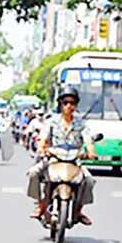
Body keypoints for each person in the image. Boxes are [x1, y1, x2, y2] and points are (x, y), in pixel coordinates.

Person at [27, 87, 97, 224]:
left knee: (89, 180)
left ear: (75, 105)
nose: (68, 106)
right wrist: (41, 148)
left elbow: (88, 140)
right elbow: (43, 137)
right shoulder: (51, 121)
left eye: (71, 103)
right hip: (54, 159)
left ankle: (78, 210)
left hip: (74, 161)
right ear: (61, 104)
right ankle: (41, 205)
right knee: (33, 173)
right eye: (65, 102)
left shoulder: (81, 124)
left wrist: (91, 151)